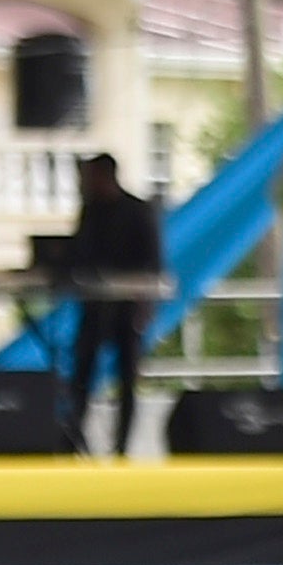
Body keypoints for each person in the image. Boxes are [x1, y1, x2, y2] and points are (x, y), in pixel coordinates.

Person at [61, 151, 163, 456]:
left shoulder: (138, 211)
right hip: (95, 306)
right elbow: (78, 254)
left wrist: (145, 307)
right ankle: (72, 439)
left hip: (128, 307)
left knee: (127, 379)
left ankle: (122, 446)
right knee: (82, 372)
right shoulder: (91, 211)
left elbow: (154, 266)